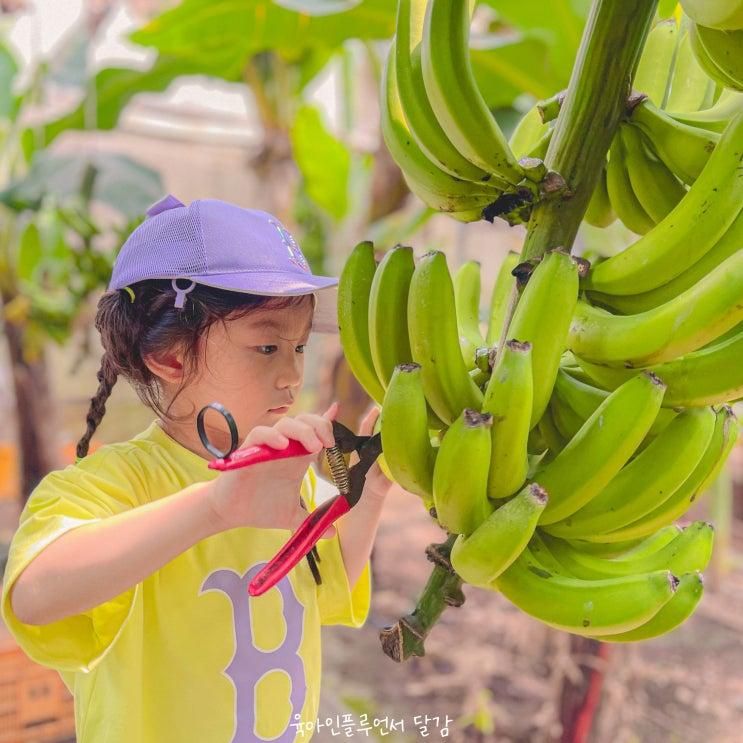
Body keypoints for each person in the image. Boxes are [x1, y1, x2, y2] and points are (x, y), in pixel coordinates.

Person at [0, 195, 393, 742]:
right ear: (172, 357)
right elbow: (34, 596)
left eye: (300, 346)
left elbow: (326, 588)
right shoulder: (110, 485)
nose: (292, 375)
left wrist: (368, 494)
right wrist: (215, 507)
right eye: (266, 346)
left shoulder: (290, 475)